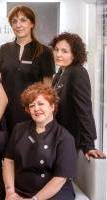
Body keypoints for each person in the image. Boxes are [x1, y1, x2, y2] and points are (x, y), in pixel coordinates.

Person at [0, 5, 55, 133]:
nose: (18, 25)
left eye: (23, 20)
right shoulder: (4, 49)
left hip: (32, 114)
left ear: (32, 23)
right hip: (6, 113)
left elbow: (48, 91)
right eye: (14, 21)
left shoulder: (44, 52)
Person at [3, 82, 76, 200]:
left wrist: (35, 199)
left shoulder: (65, 137)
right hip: (20, 190)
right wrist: (10, 192)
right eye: (32, 106)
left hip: (54, 192)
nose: (36, 109)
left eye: (41, 104)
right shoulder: (19, 129)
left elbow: (60, 178)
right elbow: (8, 161)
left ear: (52, 106)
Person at [50, 32, 106, 160]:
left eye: (64, 51)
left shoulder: (78, 72)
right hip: (58, 137)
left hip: (70, 141)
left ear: (74, 54)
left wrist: (89, 144)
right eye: (57, 50)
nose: (58, 54)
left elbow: (84, 109)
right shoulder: (61, 72)